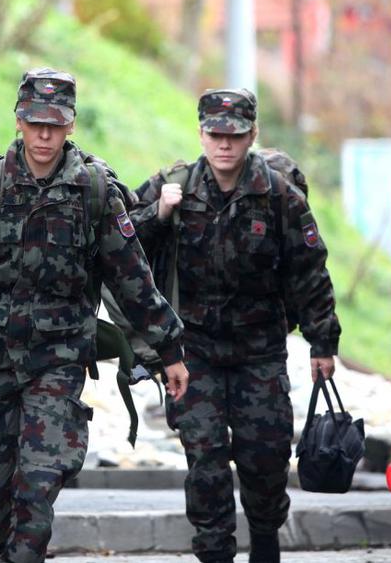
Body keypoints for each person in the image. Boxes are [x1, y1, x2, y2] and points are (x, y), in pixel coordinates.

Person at [0, 67, 189, 563]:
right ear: (19, 121)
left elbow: (132, 278)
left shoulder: (95, 192)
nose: (44, 135)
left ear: (71, 125)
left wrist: (169, 350)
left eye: (54, 124)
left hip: (57, 363)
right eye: (35, 123)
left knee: (37, 488)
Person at [129, 88, 341, 563]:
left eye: (236, 135)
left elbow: (309, 270)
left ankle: (265, 540)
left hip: (259, 350)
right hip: (193, 353)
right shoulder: (173, 185)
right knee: (205, 461)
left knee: (264, 458)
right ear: (201, 134)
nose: (224, 144)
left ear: (252, 135)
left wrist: (322, 342)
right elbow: (122, 246)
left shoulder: (278, 194)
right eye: (215, 134)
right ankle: (214, 551)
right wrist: (159, 213)